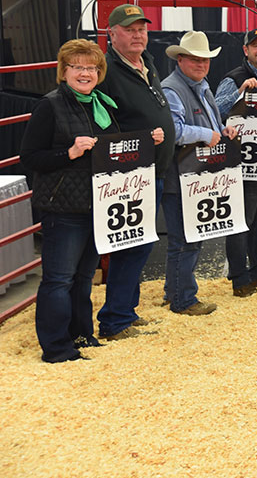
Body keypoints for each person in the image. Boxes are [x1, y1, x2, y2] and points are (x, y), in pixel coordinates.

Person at [20, 40, 162, 362]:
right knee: (58, 279)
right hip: (64, 207)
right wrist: (68, 153)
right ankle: (56, 347)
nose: (85, 73)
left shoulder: (103, 105)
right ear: (64, 71)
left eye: (91, 67)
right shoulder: (51, 105)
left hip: (97, 205)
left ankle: (82, 336)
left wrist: (147, 140)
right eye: (78, 67)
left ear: (99, 72)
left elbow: (116, 149)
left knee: (84, 277)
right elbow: (29, 158)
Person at [95, 4, 172, 340]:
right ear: (111, 34)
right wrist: (141, 140)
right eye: (129, 29)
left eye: (141, 28)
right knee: (131, 244)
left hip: (151, 169)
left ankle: (126, 310)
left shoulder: (147, 62)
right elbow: (103, 122)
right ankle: (115, 320)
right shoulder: (106, 70)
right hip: (128, 172)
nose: (138, 34)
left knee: (140, 242)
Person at [161, 31, 238, 315]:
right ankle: (184, 300)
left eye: (205, 59)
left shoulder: (202, 86)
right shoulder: (172, 89)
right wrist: (208, 134)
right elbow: (175, 131)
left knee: (184, 240)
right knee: (187, 241)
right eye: (195, 59)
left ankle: (173, 293)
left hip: (197, 176)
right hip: (180, 176)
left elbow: (212, 125)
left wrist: (222, 129)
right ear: (180, 59)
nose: (201, 64)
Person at [215, 28, 257, 297]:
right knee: (242, 221)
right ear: (246, 51)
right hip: (243, 162)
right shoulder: (235, 79)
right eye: (256, 46)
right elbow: (217, 111)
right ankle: (240, 277)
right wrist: (240, 92)